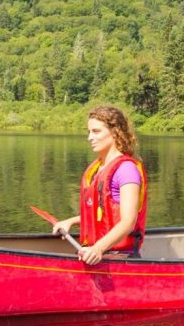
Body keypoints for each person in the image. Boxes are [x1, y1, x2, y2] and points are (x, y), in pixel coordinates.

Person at [52, 105, 147, 265]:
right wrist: (70, 221)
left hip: (118, 257)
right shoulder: (98, 168)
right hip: (97, 254)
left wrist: (98, 248)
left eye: (96, 132)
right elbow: (102, 214)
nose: (90, 137)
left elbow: (128, 222)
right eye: (89, 132)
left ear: (115, 132)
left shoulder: (126, 170)